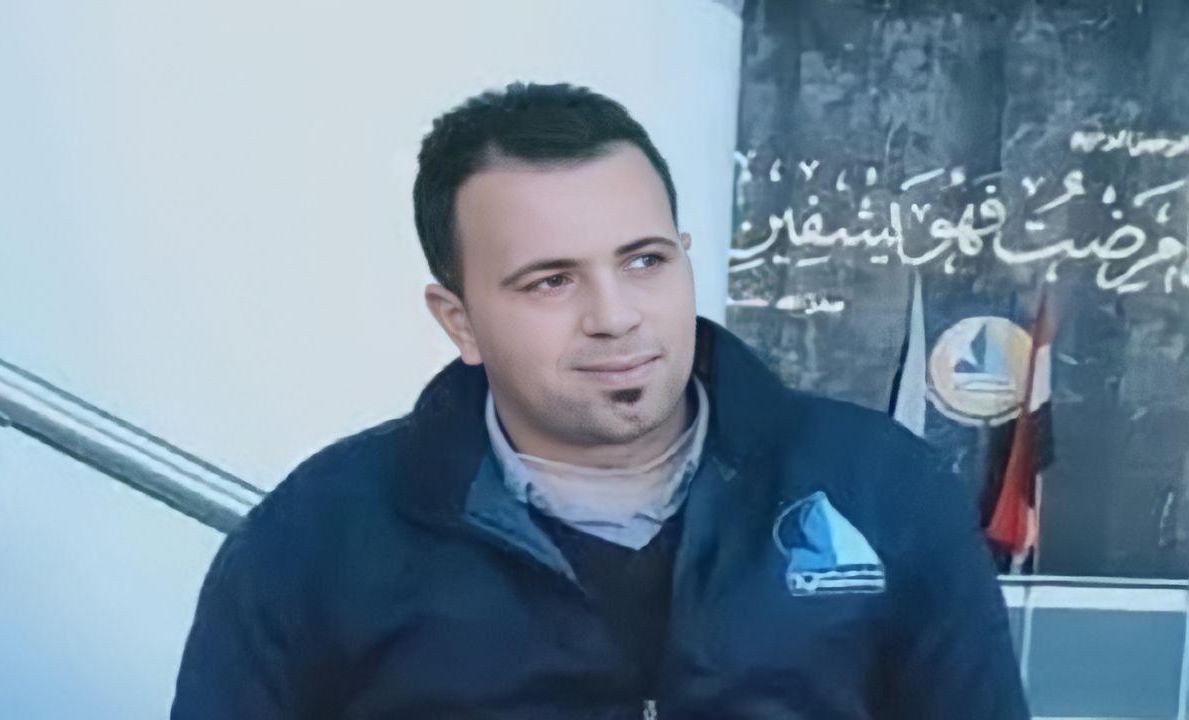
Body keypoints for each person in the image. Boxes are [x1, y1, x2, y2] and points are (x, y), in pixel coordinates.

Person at [172, 81, 1030, 719]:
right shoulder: (315, 540)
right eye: (551, 281)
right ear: (460, 321)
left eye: (645, 261)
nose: (616, 317)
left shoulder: (881, 489)